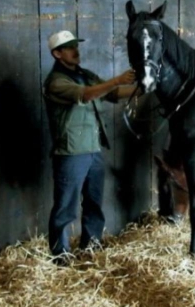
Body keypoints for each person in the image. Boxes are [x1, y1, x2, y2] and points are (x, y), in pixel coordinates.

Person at [43, 29, 136, 262]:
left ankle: (91, 246)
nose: (76, 51)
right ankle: (60, 255)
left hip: (93, 149)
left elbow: (113, 93)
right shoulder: (56, 82)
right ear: (57, 54)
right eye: (70, 47)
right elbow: (85, 96)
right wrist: (117, 79)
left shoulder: (85, 74)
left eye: (76, 45)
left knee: (94, 202)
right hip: (72, 152)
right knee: (65, 207)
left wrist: (144, 88)